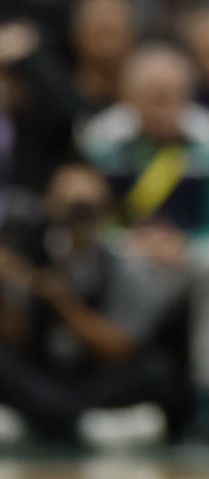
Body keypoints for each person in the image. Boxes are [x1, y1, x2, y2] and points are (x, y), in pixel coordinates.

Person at [79, 44, 209, 432]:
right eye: (152, 98)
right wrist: (129, 241)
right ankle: (109, 386)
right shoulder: (102, 144)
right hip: (122, 257)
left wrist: (184, 245)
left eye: (172, 97)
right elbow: (87, 221)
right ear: (129, 98)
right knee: (114, 264)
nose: (163, 108)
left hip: (185, 261)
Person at [0, 164, 183, 445]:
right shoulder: (29, 253)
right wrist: (9, 290)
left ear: (106, 209)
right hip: (42, 372)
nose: (77, 221)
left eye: (87, 210)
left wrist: (57, 297)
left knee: (156, 369)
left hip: (94, 375)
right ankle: (79, 422)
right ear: (49, 204)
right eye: (70, 209)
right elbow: (16, 339)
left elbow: (119, 347)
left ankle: (52, 421)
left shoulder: (126, 264)